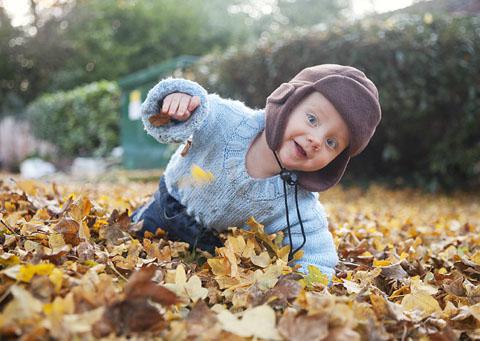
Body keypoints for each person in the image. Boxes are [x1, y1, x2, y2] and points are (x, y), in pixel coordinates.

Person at [131, 64, 382, 286]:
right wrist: (177, 101)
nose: (316, 140)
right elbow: (188, 115)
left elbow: (316, 250)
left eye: (331, 143)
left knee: (193, 278)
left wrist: (309, 288)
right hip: (167, 209)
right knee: (133, 239)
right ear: (288, 104)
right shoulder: (227, 120)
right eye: (312, 119)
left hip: (212, 245)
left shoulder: (297, 202)